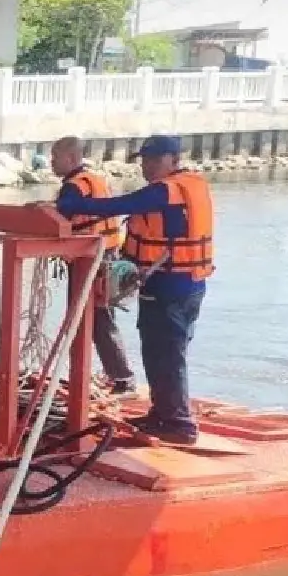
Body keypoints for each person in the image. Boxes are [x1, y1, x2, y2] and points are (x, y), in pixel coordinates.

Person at [54, 134, 213, 445]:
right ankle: (162, 413)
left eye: (155, 160)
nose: (147, 166)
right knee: (156, 350)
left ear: (173, 160)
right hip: (171, 282)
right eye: (144, 160)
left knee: (168, 353)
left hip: (173, 285)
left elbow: (120, 205)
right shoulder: (191, 185)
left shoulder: (166, 192)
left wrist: (72, 205)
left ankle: (179, 423)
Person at [50, 136, 136, 396]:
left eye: (56, 158)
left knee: (94, 320)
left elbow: (59, 218)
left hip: (90, 260)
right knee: (97, 319)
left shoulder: (74, 187)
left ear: (71, 158)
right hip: (105, 255)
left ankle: (120, 378)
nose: (51, 163)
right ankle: (94, 375)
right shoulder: (95, 180)